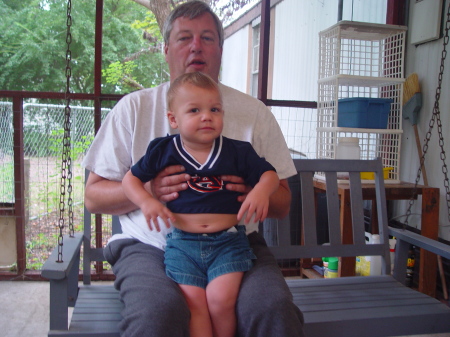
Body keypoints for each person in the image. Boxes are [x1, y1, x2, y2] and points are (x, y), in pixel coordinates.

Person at [83, 1, 305, 336]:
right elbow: (93, 197)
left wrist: (251, 191)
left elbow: (284, 202)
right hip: (149, 246)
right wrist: (149, 192)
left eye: (207, 38)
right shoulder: (135, 108)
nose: (196, 46)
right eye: (185, 37)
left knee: (273, 309)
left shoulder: (253, 113)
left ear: (221, 48)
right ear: (166, 48)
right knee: (157, 314)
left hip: (235, 240)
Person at [122, 71, 280, 337]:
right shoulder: (163, 150)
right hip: (182, 244)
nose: (206, 116)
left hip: (227, 243)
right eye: (194, 110)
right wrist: (146, 201)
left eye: (214, 109)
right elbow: (130, 180)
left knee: (220, 301)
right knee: (194, 305)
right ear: (173, 119)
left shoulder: (237, 151)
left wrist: (261, 191)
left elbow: (270, 175)